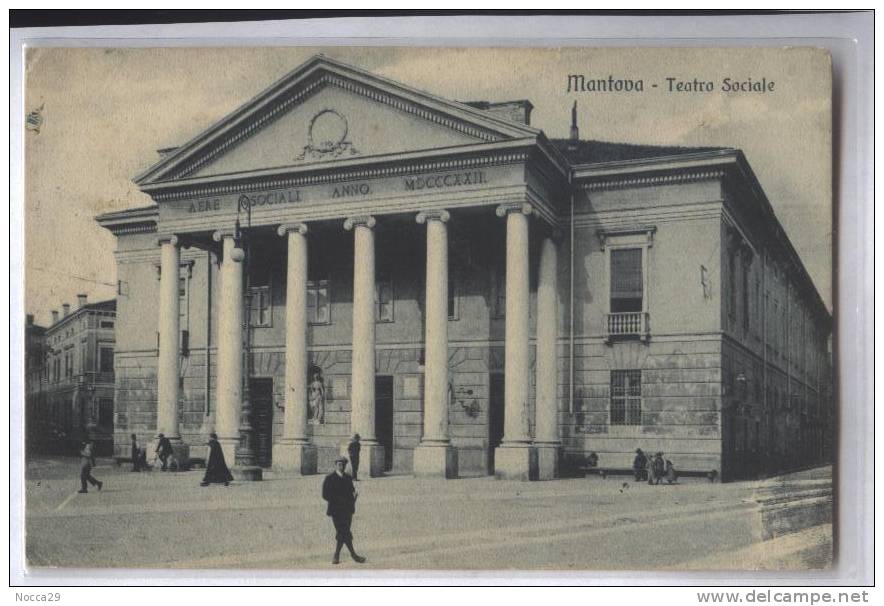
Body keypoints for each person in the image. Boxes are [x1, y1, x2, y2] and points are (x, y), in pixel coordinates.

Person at [322, 456, 366, 565]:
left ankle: (338, 556)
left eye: (344, 464)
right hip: (336, 510)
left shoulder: (347, 478)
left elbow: (351, 492)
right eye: (339, 464)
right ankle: (352, 555)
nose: (342, 466)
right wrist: (339, 500)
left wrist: (354, 496)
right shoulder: (330, 478)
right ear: (336, 465)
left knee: (343, 532)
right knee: (343, 531)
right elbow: (325, 495)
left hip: (347, 510)